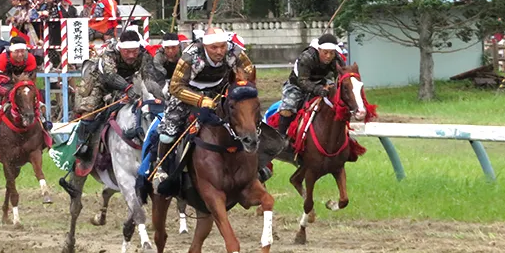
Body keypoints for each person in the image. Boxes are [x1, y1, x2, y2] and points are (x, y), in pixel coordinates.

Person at [153, 27, 255, 187]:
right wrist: (200, 100)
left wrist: (239, 84)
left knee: (245, 120)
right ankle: (162, 167)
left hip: (219, 90)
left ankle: (256, 165)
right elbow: (176, 86)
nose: (220, 51)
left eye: (222, 46)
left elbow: (249, 70)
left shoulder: (234, 51)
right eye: (214, 48)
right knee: (168, 134)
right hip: (187, 93)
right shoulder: (191, 56)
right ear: (205, 46)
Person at [73, 30, 156, 173]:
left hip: (130, 82)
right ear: (120, 49)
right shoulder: (109, 54)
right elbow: (110, 76)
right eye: (127, 52)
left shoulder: (145, 56)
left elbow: (148, 75)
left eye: (134, 51)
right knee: (89, 111)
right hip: (99, 81)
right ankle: (83, 145)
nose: (131, 55)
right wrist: (127, 87)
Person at [276, 33, 344, 138]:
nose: (328, 56)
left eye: (332, 53)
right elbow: (302, 81)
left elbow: (340, 78)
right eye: (325, 52)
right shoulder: (307, 57)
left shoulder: (337, 60)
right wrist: (317, 89)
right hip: (297, 85)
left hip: (322, 83)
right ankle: (281, 137)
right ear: (319, 49)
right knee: (287, 108)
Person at [0, 36, 39, 117]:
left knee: (38, 105)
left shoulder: (30, 59)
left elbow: (31, 79)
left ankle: (43, 123)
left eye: (22, 51)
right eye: (17, 51)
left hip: (22, 83)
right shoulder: (2, 59)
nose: (20, 54)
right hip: (0, 82)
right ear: (11, 51)